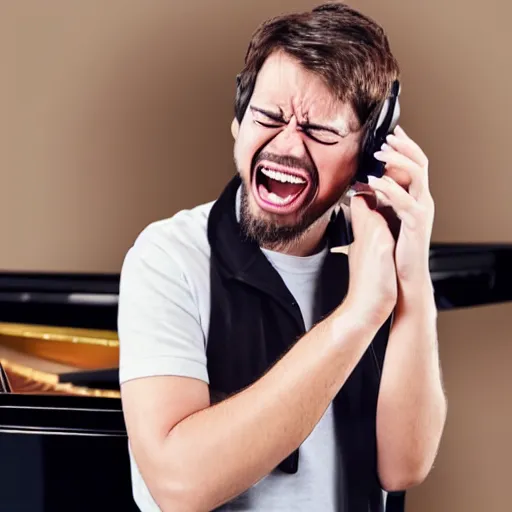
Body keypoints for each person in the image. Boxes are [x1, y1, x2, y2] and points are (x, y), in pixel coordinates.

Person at [118, 2, 447, 511]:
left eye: (320, 132)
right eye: (268, 117)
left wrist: (411, 275)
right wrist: (360, 313)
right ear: (237, 121)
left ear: (369, 153)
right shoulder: (167, 258)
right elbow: (180, 485)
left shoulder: (380, 257)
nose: (287, 145)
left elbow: (403, 465)